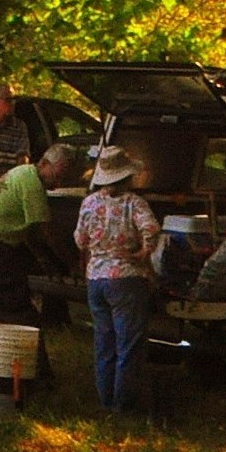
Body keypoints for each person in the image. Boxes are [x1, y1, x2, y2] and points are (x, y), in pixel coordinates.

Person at [0, 143, 79, 407]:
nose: (59, 183)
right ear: (44, 163)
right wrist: (70, 263)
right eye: (58, 175)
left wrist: (45, 263)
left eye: (64, 177)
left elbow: (29, 233)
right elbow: (45, 232)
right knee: (20, 316)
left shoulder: (22, 173)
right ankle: (30, 377)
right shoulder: (32, 184)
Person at [74, 145, 163, 414]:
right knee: (129, 344)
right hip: (126, 278)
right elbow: (151, 229)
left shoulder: (89, 202)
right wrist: (142, 253)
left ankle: (106, 398)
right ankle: (124, 404)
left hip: (96, 279)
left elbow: (80, 239)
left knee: (104, 342)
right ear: (126, 176)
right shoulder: (133, 203)